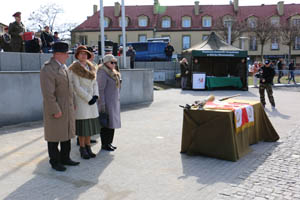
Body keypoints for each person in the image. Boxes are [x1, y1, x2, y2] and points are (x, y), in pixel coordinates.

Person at [40, 41, 80, 172]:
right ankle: (55, 161)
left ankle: (65, 158)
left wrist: (73, 103)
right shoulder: (48, 69)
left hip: (67, 107)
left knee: (66, 134)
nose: (68, 56)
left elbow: (70, 88)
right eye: (65, 54)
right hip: (56, 108)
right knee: (54, 136)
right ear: (57, 54)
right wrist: (55, 110)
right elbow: (48, 93)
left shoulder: (64, 67)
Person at [68, 46, 101, 159]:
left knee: (90, 126)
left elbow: (95, 83)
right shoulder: (74, 68)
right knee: (83, 127)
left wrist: (96, 95)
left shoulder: (91, 67)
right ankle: (82, 148)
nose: (84, 56)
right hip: (82, 100)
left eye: (85, 54)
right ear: (77, 55)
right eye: (81, 54)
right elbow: (76, 87)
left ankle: (88, 146)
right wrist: (89, 98)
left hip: (92, 100)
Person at [97, 54, 121, 151]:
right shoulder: (102, 72)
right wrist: (102, 104)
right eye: (112, 62)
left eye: (115, 62)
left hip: (114, 102)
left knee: (112, 124)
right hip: (106, 102)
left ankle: (109, 142)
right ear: (106, 62)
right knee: (106, 124)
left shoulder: (113, 72)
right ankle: (105, 144)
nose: (114, 64)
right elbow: (100, 90)